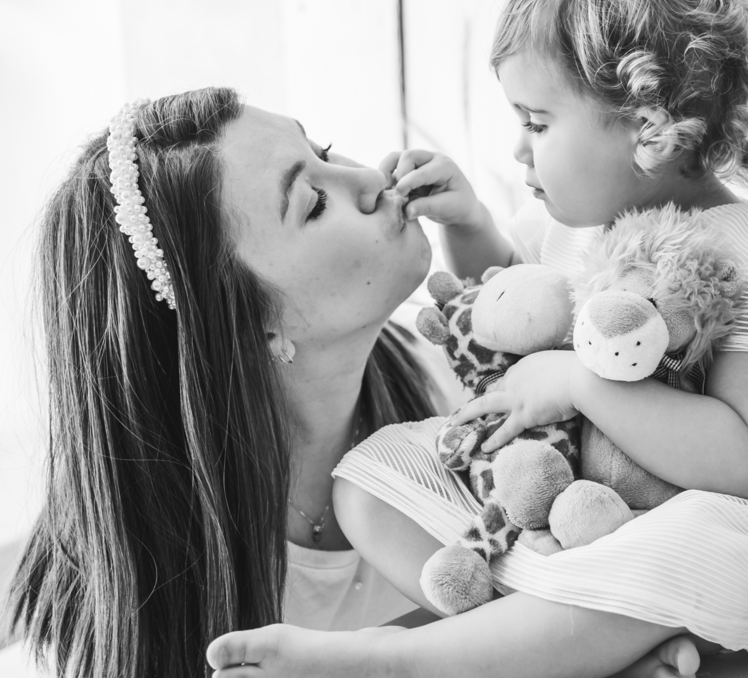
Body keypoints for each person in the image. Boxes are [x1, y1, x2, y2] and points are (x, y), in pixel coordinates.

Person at [207, 0, 748, 677]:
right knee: (367, 486)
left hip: (680, 540)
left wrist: (580, 384)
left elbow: (747, 460)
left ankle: (407, 660)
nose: (519, 148)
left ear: (648, 129)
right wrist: (471, 227)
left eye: (537, 123)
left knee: (687, 545)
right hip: (562, 518)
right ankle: (560, 650)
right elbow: (515, 317)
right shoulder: (576, 223)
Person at [2, 89, 699, 678]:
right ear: (250, 327)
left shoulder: (459, 396)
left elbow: (646, 575)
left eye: (327, 152)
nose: (368, 179)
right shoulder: (140, 606)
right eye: (313, 202)